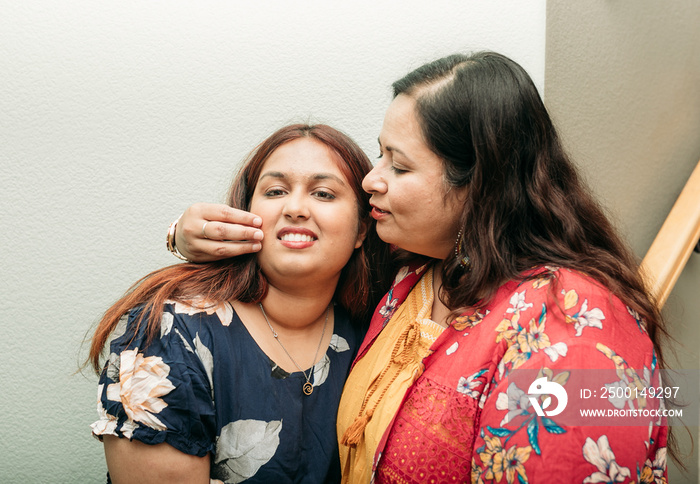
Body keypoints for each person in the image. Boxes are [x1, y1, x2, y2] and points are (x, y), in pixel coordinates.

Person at [171, 52, 671, 483]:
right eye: (381, 155)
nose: (372, 179)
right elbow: (308, 240)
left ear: (480, 182)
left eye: (399, 165)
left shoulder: (577, 330)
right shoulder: (416, 273)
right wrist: (182, 234)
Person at [88, 123, 392, 483]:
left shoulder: (383, 326)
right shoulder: (169, 333)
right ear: (246, 214)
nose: (295, 208)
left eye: (324, 194)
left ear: (361, 229)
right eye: (276, 191)